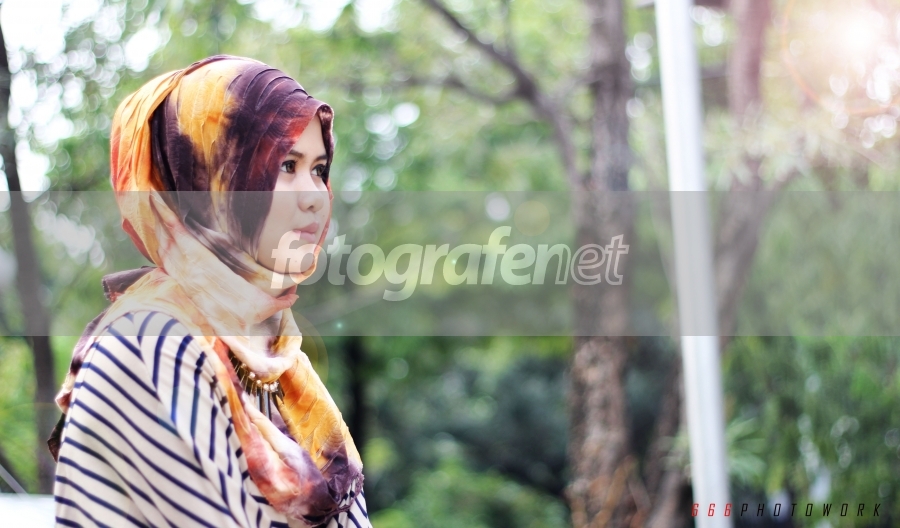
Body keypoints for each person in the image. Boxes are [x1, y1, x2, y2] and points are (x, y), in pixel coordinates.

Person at [49, 55, 371, 528]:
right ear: (211, 181)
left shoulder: (272, 354)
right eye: (286, 165)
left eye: (319, 169)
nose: (314, 196)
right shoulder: (151, 343)